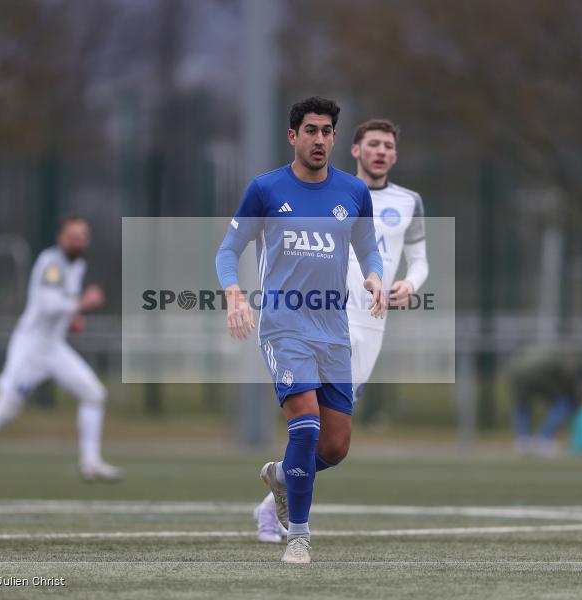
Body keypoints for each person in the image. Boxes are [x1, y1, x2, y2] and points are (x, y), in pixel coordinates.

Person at [215, 97, 386, 564]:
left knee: (335, 445)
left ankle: (280, 475)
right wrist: (234, 294)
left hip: (333, 331)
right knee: (306, 426)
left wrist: (374, 276)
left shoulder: (353, 191)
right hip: (284, 327)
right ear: (293, 136)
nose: (319, 139)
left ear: (335, 137)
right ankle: (299, 536)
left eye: (327, 131)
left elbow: (368, 248)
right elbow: (228, 250)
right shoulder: (265, 189)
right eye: (310, 130)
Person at [252, 118, 429, 543]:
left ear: (395, 155)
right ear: (355, 149)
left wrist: (410, 283)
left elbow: (420, 259)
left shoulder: (409, 202)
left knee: (333, 444)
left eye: (388, 145)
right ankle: (291, 521)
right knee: (308, 423)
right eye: (373, 144)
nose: (380, 151)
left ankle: (277, 487)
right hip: (324, 316)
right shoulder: (333, 190)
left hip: (372, 323)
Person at [0, 216, 122, 490]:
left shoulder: (78, 266)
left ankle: (90, 461)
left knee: (94, 394)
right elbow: (48, 305)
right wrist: (82, 304)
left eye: (82, 236)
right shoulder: (52, 264)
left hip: (54, 347)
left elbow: (62, 306)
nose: (78, 241)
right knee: (4, 410)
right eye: (73, 236)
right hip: (31, 349)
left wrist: (73, 318)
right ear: (60, 238)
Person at [506, 346, 582, 457]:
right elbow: (569, 384)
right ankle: (543, 440)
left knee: (522, 403)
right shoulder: (565, 361)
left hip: (516, 373)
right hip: (537, 373)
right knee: (562, 403)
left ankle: (522, 442)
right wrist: (576, 401)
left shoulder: (548, 351)